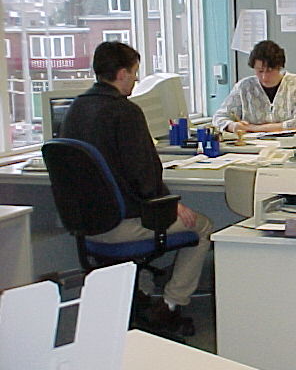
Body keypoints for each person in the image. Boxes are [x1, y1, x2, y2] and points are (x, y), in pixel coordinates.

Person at [61, 41, 213, 335]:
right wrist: (170, 202)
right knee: (203, 226)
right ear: (120, 74)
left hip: (87, 229)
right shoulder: (125, 112)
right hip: (122, 225)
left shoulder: (75, 109)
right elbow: (145, 175)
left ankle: (140, 296)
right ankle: (168, 305)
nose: (135, 79)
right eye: (133, 73)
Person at [212, 40, 296, 132]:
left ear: (279, 67)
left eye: (270, 71)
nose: (264, 77)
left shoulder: (295, 84)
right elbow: (219, 118)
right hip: (252, 148)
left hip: (287, 145)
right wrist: (233, 126)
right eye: (260, 71)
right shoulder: (244, 87)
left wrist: (253, 128)